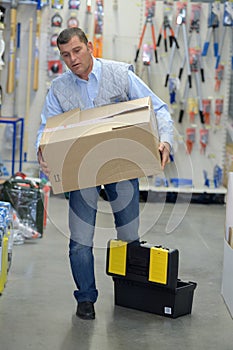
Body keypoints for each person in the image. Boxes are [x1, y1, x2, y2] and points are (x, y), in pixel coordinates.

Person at [36, 27, 173, 320]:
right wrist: (42, 148)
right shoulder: (59, 88)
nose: (72, 59)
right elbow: (46, 128)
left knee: (129, 234)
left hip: (121, 166)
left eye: (77, 50)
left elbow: (158, 107)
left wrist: (165, 139)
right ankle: (85, 298)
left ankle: (130, 290)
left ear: (89, 46)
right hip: (81, 170)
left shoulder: (119, 74)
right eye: (65, 55)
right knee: (80, 241)